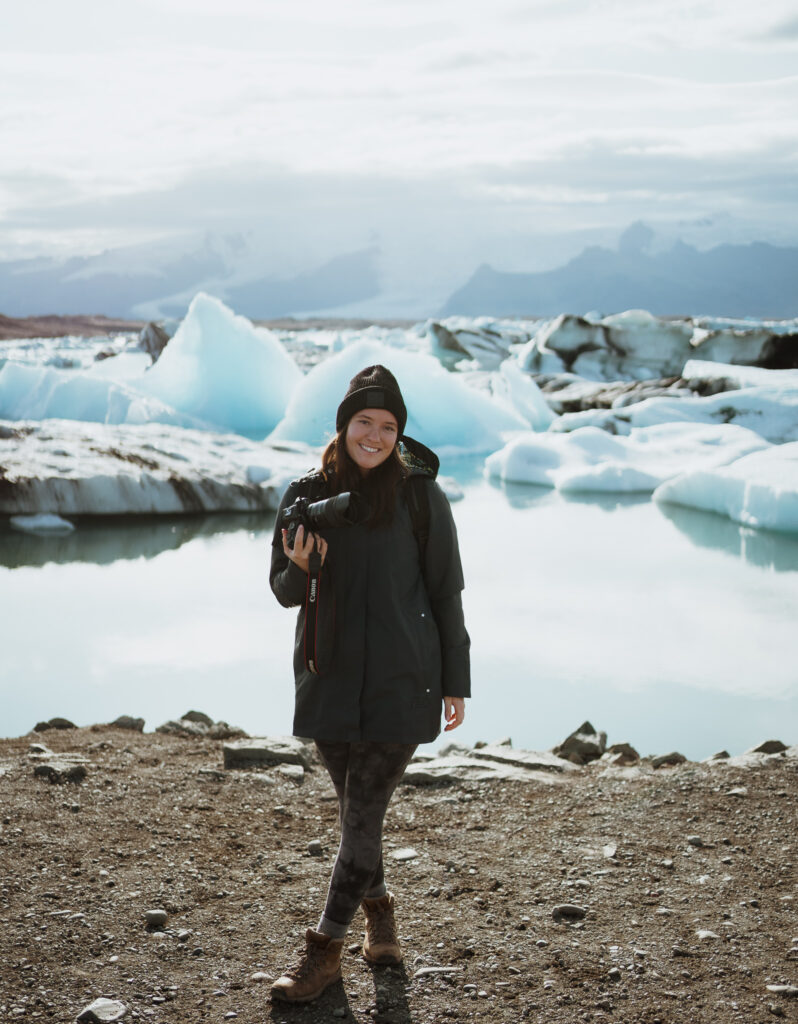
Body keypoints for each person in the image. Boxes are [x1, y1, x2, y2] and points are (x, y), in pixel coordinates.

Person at [268, 364, 471, 1003]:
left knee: (361, 815)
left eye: (388, 426)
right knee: (360, 818)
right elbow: (282, 591)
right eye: (365, 422)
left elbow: (446, 593)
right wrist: (300, 567)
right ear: (343, 425)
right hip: (327, 677)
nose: (375, 436)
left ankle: (321, 952)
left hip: (403, 679)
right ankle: (380, 918)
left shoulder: (420, 498)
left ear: (398, 434)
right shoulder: (306, 493)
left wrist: (455, 679)